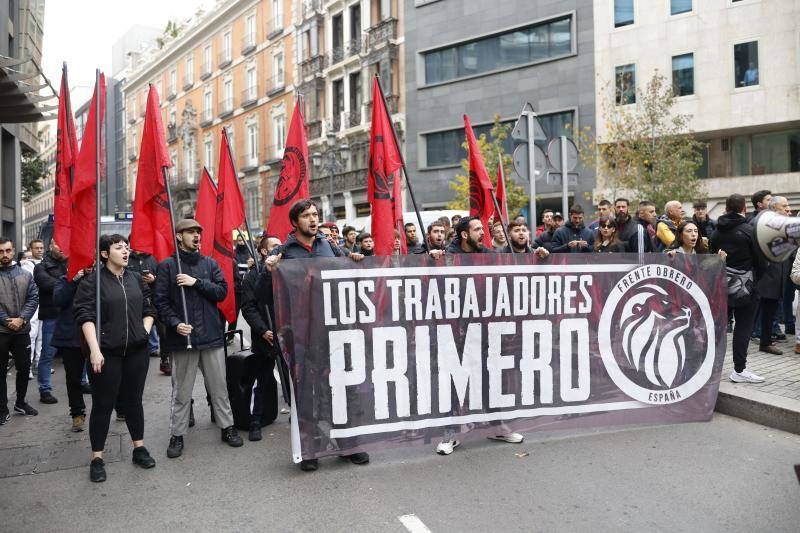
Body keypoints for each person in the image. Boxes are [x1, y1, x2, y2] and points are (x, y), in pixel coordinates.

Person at [265, 199, 368, 471]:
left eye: (316, 214)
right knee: (307, 392)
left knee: (343, 388)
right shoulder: (283, 252)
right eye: (307, 216)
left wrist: (353, 260)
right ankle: (311, 449)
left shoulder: (330, 246)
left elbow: (348, 276)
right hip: (301, 333)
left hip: (333, 329)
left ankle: (349, 445)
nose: (313, 219)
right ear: (295, 222)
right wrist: (269, 270)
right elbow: (265, 293)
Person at [154, 218, 243, 459]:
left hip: (212, 336)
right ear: (179, 236)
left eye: (198, 232)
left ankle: (227, 427)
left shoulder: (210, 263)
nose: (196, 236)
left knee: (219, 388)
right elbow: (160, 303)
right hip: (183, 340)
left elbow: (222, 291)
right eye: (190, 232)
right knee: (182, 392)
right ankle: (177, 434)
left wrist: (196, 283)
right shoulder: (167, 267)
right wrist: (175, 324)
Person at [73, 234, 157, 482]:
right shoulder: (92, 282)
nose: (125, 251)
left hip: (136, 352)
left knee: (133, 401)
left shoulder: (134, 278)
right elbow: (84, 316)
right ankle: (97, 458)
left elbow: (149, 308)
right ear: (104, 254)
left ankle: (138, 448)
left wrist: (145, 330)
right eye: (118, 247)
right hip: (106, 354)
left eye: (127, 247)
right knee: (103, 405)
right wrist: (95, 350)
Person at [437, 216, 523, 455]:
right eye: (477, 230)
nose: (482, 233)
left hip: (483, 327)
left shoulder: (485, 252)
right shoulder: (448, 256)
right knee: (457, 380)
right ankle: (449, 432)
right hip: (456, 330)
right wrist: (433, 261)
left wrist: (535, 255)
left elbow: (506, 262)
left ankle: (497, 425)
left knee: (489, 377)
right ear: (464, 235)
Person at [709, 194, 764, 383]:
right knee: (743, 328)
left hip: (721, 287)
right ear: (744, 208)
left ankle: (710, 369)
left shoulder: (715, 232)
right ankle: (739, 370)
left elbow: (712, 258)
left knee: (718, 328)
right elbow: (760, 261)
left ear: (726, 208)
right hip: (746, 288)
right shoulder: (749, 230)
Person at [240, 234, 281, 442]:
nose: (279, 248)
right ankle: (255, 420)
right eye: (274, 246)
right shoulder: (252, 275)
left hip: (288, 333)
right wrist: (263, 330)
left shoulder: (288, 269)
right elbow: (248, 307)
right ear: (264, 252)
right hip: (265, 335)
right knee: (262, 379)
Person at [0, 237, 39, 424]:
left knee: (24, 368)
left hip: (22, 330)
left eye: (7, 251)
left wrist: (22, 318)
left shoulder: (25, 274)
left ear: (13, 251)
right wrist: (7, 321)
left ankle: (21, 402)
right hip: (2, 331)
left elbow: (33, 298)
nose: (5, 255)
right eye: (1, 252)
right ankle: (2, 408)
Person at [52, 260, 89, 433]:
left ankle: (119, 407)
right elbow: (58, 300)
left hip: (98, 335)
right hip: (71, 337)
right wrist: (74, 280)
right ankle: (77, 414)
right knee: (73, 378)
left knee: (107, 374)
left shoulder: (97, 279)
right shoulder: (64, 280)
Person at [752, 196, 792, 355]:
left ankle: (766, 342)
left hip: (778, 276)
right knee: (754, 311)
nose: (788, 209)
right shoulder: (764, 224)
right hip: (764, 277)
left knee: (770, 311)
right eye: (784, 206)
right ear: (774, 208)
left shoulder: (784, 224)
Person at [128, 244, 167, 372]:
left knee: (164, 332)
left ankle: (165, 360)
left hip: (156, 301)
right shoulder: (127, 259)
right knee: (139, 333)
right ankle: (138, 362)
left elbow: (164, 278)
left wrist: (154, 279)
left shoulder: (154, 258)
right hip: (136, 302)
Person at [32, 239, 62, 404]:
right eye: (58, 243)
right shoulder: (41, 266)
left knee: (81, 351)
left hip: (71, 314)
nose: (62, 247)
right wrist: (69, 281)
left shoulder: (72, 263)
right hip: (51, 315)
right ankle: (45, 389)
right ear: (51, 246)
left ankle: (83, 381)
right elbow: (46, 284)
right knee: (47, 354)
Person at [22, 239, 43, 381]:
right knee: (32, 334)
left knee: (42, 336)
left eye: (41, 248)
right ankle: (28, 367)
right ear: (31, 249)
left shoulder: (45, 263)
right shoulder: (26, 266)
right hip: (33, 302)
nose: (40, 250)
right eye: (37, 248)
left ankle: (39, 364)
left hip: (45, 303)